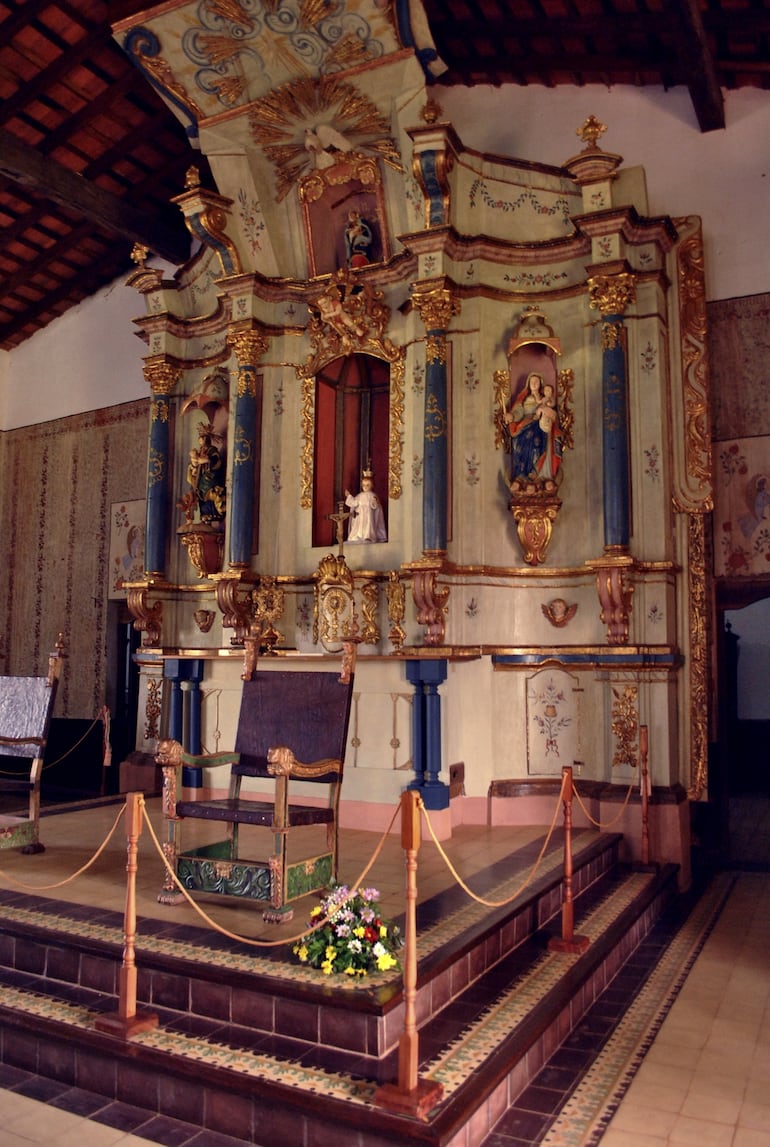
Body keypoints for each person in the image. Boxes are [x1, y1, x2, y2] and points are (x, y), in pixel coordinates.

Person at [505, 372, 562, 491]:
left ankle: (542, 475)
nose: (534, 384)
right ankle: (523, 475)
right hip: (525, 424)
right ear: (528, 384)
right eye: (532, 382)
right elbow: (519, 412)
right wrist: (512, 416)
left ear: (540, 384)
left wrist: (545, 411)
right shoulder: (525, 398)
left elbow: (552, 412)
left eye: (536, 382)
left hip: (540, 425)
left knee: (541, 436)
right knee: (522, 439)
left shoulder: (544, 399)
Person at [345, 470, 387, 543]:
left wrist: (374, 502)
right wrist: (349, 496)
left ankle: (368, 536)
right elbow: (354, 503)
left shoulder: (373, 495)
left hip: (369, 515)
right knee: (359, 526)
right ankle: (358, 536)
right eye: (364, 485)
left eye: (368, 485)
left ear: (372, 485)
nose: (365, 487)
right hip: (360, 516)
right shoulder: (359, 496)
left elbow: (375, 507)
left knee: (369, 525)